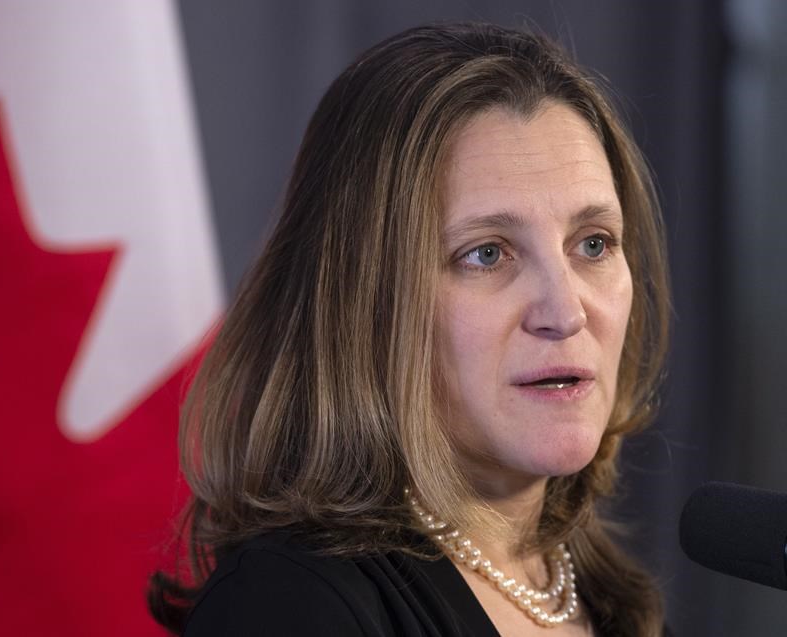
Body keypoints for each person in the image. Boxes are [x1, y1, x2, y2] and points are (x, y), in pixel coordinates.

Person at [149, 21, 671, 637]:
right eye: (487, 253)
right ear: (363, 304)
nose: (566, 310)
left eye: (593, 243)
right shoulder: (290, 607)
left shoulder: (612, 600)